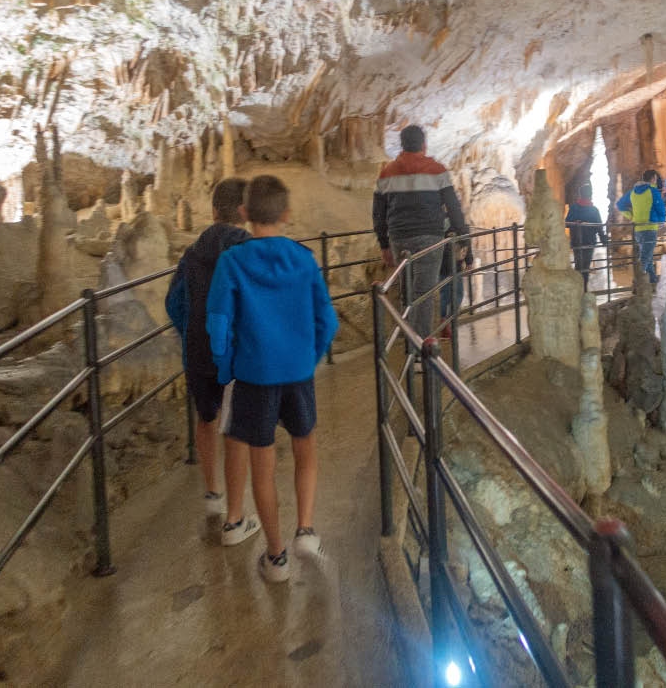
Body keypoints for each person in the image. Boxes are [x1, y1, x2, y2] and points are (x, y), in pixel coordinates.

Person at [206, 175, 339, 578]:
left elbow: (217, 322)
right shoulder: (302, 258)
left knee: (261, 465)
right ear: (286, 214)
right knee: (305, 449)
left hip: (252, 377)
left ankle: (276, 556)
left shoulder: (232, 262)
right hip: (297, 375)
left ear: (244, 214)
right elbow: (327, 321)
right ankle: (306, 529)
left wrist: (227, 366)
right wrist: (308, 358)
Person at [165, 178, 251, 522]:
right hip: (236, 352)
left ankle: (213, 492)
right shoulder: (249, 250)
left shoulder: (193, 253)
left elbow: (174, 302)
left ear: (214, 211)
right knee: (236, 427)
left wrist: (190, 330)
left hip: (199, 349)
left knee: (206, 418)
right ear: (244, 212)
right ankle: (235, 514)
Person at [372, 125, 469, 337]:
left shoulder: (386, 173)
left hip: (399, 238)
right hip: (429, 238)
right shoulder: (437, 170)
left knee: (407, 292)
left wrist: (384, 244)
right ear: (424, 145)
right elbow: (453, 207)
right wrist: (464, 239)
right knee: (423, 293)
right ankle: (422, 347)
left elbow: (378, 213)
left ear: (402, 144)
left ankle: (409, 340)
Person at [616, 169, 666, 285]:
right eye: (655, 179)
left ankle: (652, 279)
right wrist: (661, 221)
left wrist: (631, 216)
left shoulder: (633, 191)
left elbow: (620, 205)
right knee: (645, 257)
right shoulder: (653, 191)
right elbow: (660, 208)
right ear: (653, 179)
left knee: (646, 255)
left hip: (638, 229)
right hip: (650, 228)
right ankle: (637, 282)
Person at [564, 183, 607, 289]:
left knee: (579, 265)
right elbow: (599, 227)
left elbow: (566, 223)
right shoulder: (594, 210)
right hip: (589, 242)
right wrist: (603, 240)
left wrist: (576, 223)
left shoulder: (574, 208)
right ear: (590, 195)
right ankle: (583, 289)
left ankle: (577, 289)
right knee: (585, 266)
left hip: (577, 241)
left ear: (580, 195)